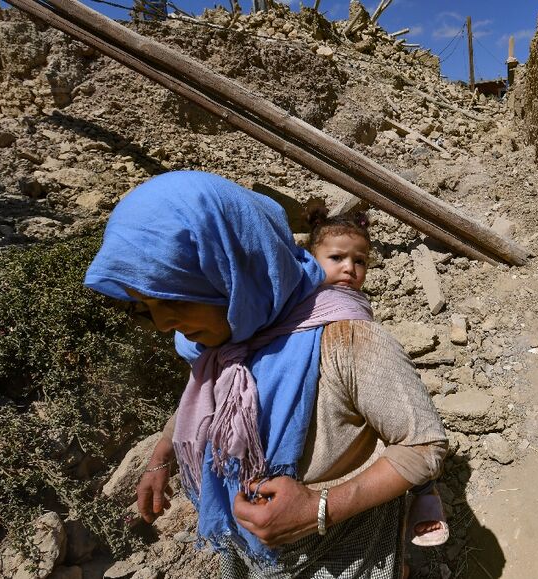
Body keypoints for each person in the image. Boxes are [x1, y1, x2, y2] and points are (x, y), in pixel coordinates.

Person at [84, 171, 448, 578]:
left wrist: (319, 509)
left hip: (342, 549)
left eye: (176, 299)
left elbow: (423, 445)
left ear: (233, 275)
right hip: (250, 546)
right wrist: (162, 455)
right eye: (146, 306)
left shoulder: (346, 338)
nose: (165, 323)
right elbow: (206, 396)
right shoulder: (220, 346)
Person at [305, 209, 449, 548]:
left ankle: (423, 491)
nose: (349, 269)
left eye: (360, 262)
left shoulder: (354, 313)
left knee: (403, 425)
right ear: (310, 260)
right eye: (336, 257)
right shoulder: (297, 309)